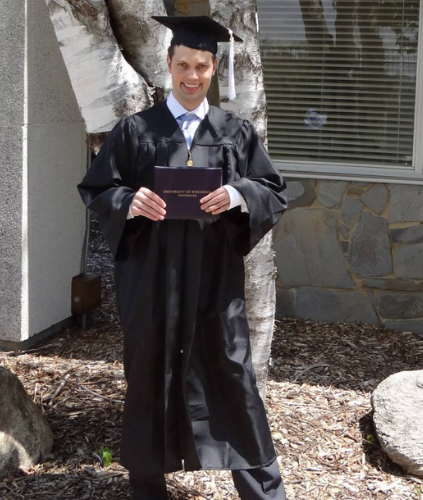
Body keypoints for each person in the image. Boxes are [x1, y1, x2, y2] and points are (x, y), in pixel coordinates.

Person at [78, 15, 288, 500]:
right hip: (151, 281)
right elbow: (97, 188)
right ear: (168, 66)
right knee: (149, 377)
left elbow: (272, 190)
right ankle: (148, 488)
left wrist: (237, 196)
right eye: (183, 65)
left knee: (233, 375)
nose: (192, 76)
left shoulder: (234, 132)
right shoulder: (136, 130)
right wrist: (129, 201)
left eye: (202, 66)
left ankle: (264, 492)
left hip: (216, 283)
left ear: (214, 70)